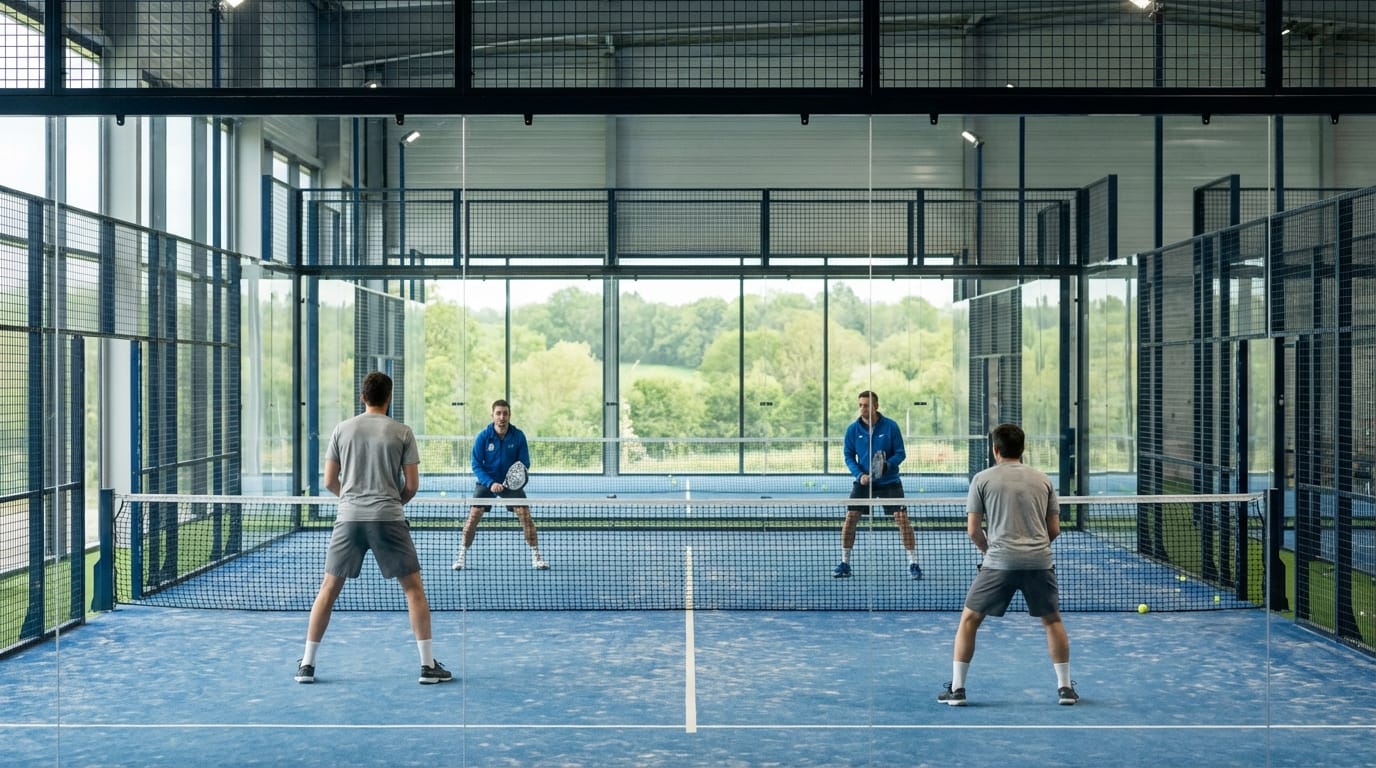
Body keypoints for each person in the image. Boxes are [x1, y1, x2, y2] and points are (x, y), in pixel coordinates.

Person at [296, 371, 452, 685]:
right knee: (413, 590)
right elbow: (412, 485)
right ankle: (427, 666)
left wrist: (352, 501)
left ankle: (307, 666)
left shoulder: (342, 429)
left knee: (328, 590)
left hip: (349, 520)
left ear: (363, 397)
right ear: (389, 397)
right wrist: (391, 503)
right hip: (389, 518)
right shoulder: (402, 432)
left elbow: (328, 481)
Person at [937, 423, 1076, 707]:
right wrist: (1034, 548)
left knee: (969, 621)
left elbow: (974, 530)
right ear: (1022, 450)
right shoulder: (1044, 480)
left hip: (998, 563)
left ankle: (958, 690)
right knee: (1052, 621)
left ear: (995, 450)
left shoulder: (982, 479)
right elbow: (1055, 529)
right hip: (1040, 562)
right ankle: (1065, 689)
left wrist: (992, 554)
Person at [834, 390, 922, 579]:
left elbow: (900, 453)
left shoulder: (891, 427)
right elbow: (848, 456)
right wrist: (859, 475)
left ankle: (913, 563)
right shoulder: (852, 430)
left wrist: (887, 466)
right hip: (864, 482)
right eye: (860, 405)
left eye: (866, 405)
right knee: (851, 518)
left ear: (876, 406)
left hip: (889, 481)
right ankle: (844, 563)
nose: (862, 409)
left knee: (902, 519)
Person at [452, 398, 549, 570]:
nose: (502, 417)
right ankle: (461, 556)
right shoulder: (483, 436)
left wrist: (512, 481)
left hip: (511, 484)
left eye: (505, 413)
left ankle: (536, 556)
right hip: (487, 482)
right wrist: (490, 483)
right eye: (498, 413)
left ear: (509, 415)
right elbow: (476, 464)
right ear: (492, 415)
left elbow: (524, 463)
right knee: (473, 517)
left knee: (525, 516)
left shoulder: (518, 436)